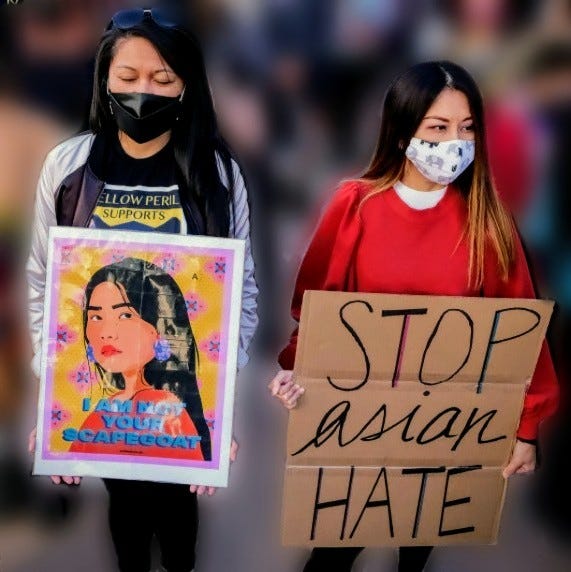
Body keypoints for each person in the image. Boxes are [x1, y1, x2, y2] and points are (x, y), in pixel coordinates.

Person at [269, 60, 558, 572]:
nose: (455, 142)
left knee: (416, 547)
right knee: (333, 552)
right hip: (357, 420)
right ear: (403, 132)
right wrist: (297, 366)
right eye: (439, 128)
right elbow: (317, 303)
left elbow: (521, 329)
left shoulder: (488, 221)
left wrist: (527, 427)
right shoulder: (353, 206)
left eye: (467, 129)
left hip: (445, 427)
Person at [27, 7, 257, 572]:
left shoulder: (218, 177)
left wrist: (219, 410)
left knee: (179, 526)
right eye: (127, 78)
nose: (141, 94)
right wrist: (53, 399)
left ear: (187, 86)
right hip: (101, 395)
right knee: (126, 514)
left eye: (161, 80)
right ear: (104, 78)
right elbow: (44, 284)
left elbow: (240, 292)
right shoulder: (69, 169)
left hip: (182, 397)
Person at [68, 257, 207, 461]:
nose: (106, 333)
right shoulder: (105, 406)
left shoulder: (166, 407)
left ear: (158, 329)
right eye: (96, 317)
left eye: (124, 316)